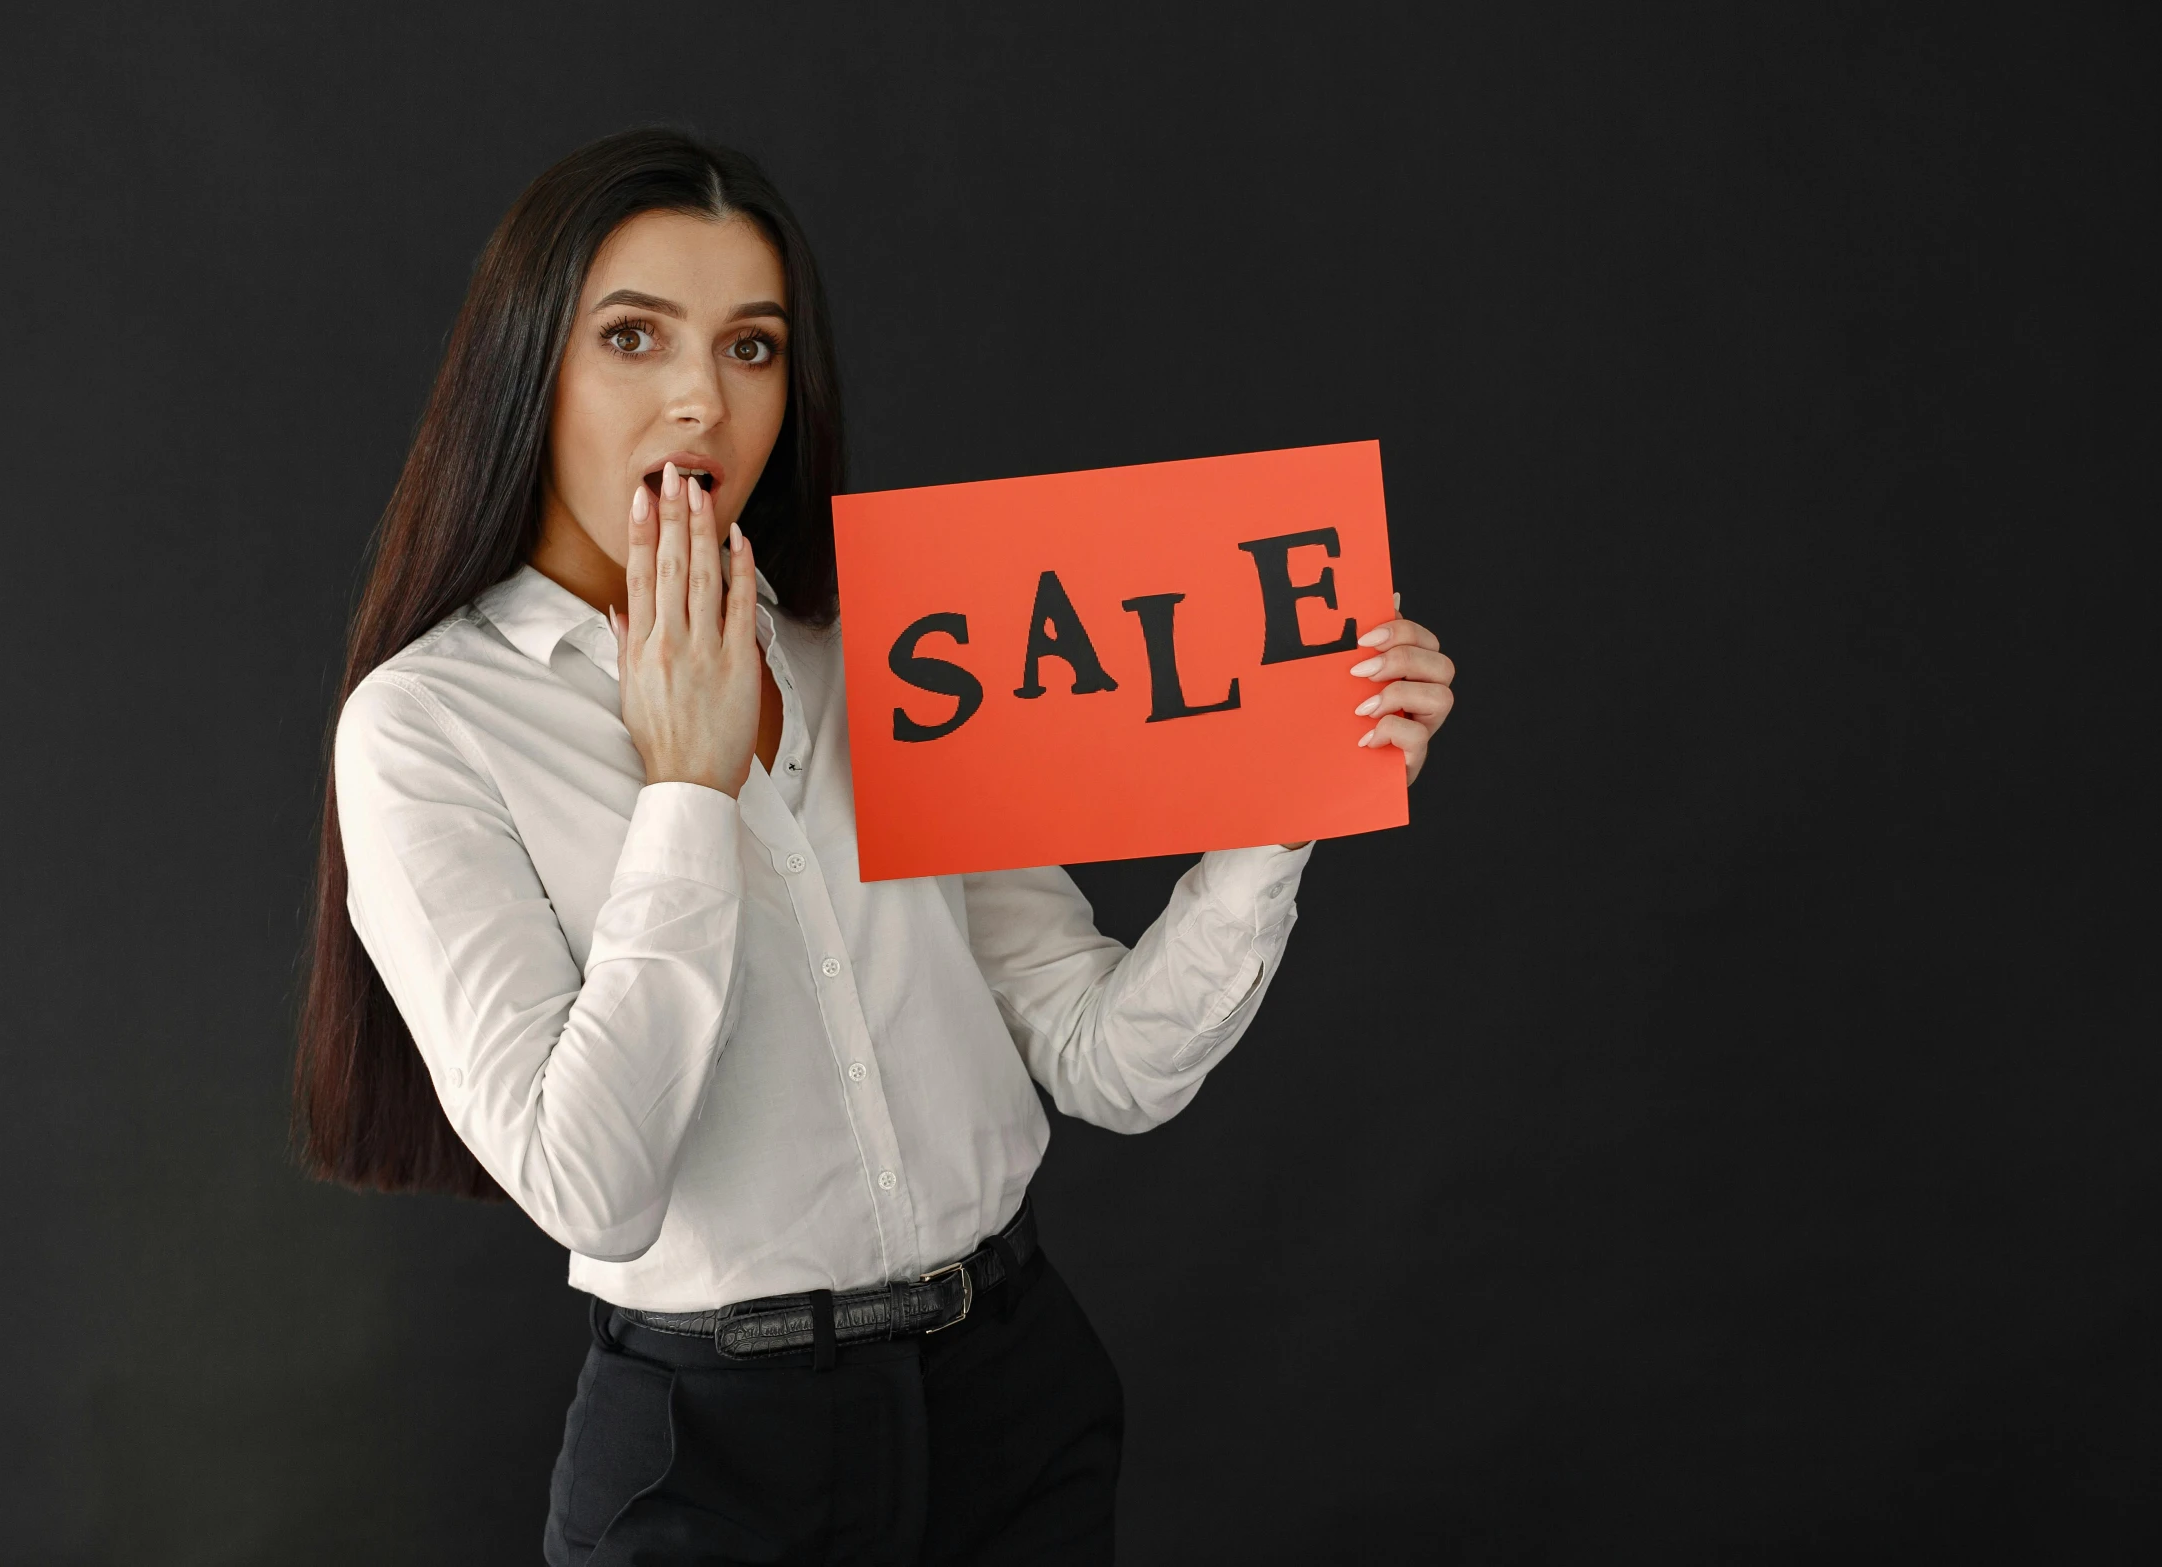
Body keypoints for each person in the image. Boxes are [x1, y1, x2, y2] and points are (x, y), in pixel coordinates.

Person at [294, 127, 1454, 1567]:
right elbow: (588, 1182)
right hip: (715, 1456)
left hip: (1009, 1399)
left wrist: (1286, 801)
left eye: (751, 347)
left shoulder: (889, 656)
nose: (696, 403)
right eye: (634, 336)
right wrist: (688, 788)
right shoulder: (427, 726)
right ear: (529, 363)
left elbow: (1109, 1060)